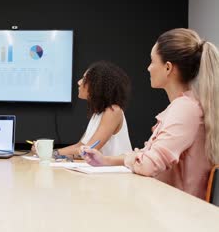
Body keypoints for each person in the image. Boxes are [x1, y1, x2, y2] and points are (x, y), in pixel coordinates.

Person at [82, 28, 219, 200]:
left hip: (179, 212)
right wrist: (105, 160)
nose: (148, 68)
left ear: (168, 67)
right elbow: (146, 155)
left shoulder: (185, 109)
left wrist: (136, 158)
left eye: (152, 61)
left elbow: (147, 164)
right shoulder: (182, 107)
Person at [33, 61, 132, 159]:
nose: (79, 82)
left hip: (117, 173)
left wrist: (50, 153)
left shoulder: (113, 111)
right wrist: (47, 152)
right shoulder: (98, 113)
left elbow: (89, 150)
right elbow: (80, 146)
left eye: (84, 79)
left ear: (97, 85)